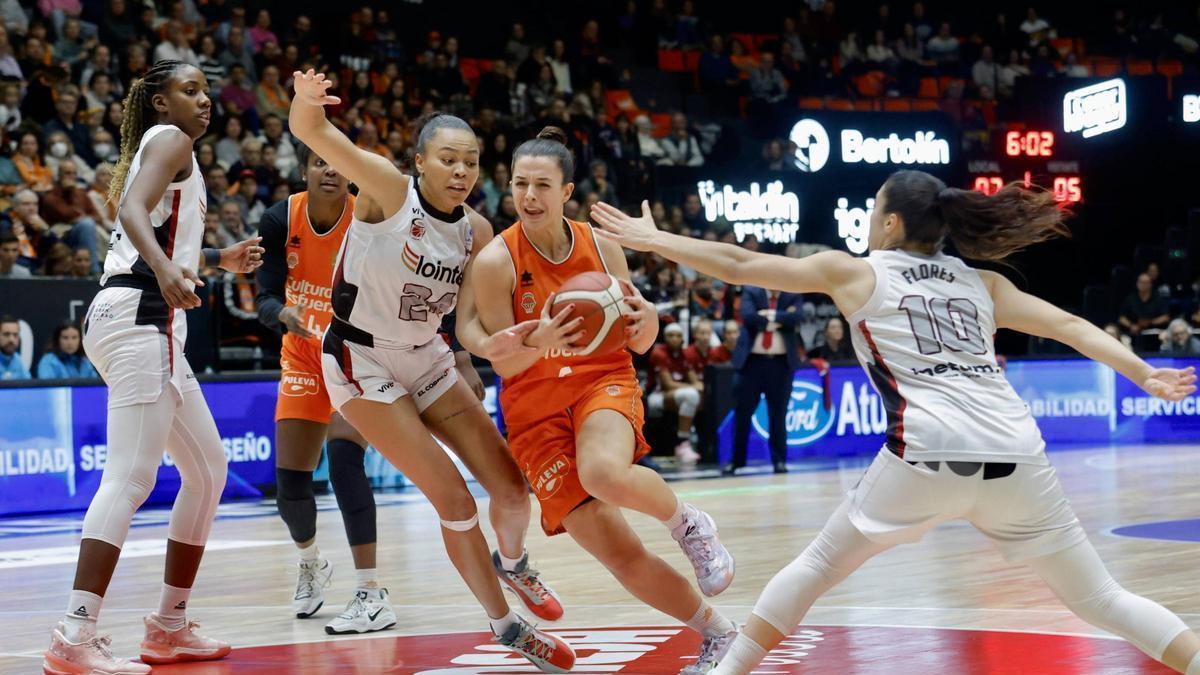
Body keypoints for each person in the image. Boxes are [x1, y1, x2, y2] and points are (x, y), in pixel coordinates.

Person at [590, 170, 1200, 675]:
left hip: (927, 454)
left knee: (815, 568)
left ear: (889, 223)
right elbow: (1069, 325)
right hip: (1019, 457)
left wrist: (656, 238)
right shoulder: (982, 282)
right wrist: (1142, 373)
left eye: (872, 213)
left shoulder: (859, 271)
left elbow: (738, 263)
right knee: (1104, 600)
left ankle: (727, 672)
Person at [288, 69, 575, 672]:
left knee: (510, 487)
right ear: (420, 161)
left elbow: (468, 321)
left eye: (471, 162)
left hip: (429, 357)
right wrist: (307, 103)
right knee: (451, 496)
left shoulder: (477, 231)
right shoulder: (388, 190)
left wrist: (497, 348)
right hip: (359, 357)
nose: (462, 171)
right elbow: (312, 130)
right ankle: (507, 626)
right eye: (448, 159)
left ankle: (516, 564)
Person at [459, 126, 738, 675]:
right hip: (533, 408)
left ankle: (689, 523)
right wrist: (539, 338)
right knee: (619, 555)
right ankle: (720, 633)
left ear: (567, 192)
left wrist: (652, 320)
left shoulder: (602, 246)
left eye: (543, 185)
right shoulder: (496, 262)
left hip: (599, 380)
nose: (530, 196)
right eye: (520, 184)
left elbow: (637, 339)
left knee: (604, 473)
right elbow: (504, 361)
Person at [42, 60, 264, 675]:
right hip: (142, 315)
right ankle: (73, 634)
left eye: (207, 90)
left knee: (208, 471)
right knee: (131, 479)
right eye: (189, 91)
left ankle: (168, 625)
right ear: (161, 105)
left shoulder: (166, 146)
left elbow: (162, 234)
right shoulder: (171, 140)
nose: (205, 100)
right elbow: (135, 213)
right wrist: (168, 272)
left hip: (139, 317)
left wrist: (217, 258)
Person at [254, 141, 392, 633]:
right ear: (305, 170)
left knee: (344, 462)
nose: (330, 170)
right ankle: (311, 562)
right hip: (302, 353)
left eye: (338, 164)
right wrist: (282, 315)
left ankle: (372, 591)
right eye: (319, 162)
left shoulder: (368, 220)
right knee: (289, 486)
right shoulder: (279, 218)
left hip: (354, 354)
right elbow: (264, 296)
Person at [725, 285, 803, 475]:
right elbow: (748, 317)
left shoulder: (792, 293)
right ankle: (736, 461)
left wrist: (767, 316)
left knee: (778, 415)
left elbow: (796, 318)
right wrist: (780, 318)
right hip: (751, 364)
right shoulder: (752, 291)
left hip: (780, 365)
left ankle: (779, 461)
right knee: (742, 414)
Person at [648, 322, 703, 463]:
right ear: (665, 338)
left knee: (698, 396)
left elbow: (695, 381)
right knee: (691, 395)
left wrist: (698, 387)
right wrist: (692, 387)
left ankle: (697, 441)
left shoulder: (684, 355)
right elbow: (668, 385)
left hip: (675, 396)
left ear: (682, 338)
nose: (674, 339)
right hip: (656, 397)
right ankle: (682, 443)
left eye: (678, 336)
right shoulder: (658, 353)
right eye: (671, 335)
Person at [0, 314, 29, 379]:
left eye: (15, 335)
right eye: (6, 334)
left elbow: (29, 386)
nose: (11, 340)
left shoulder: (18, 360)